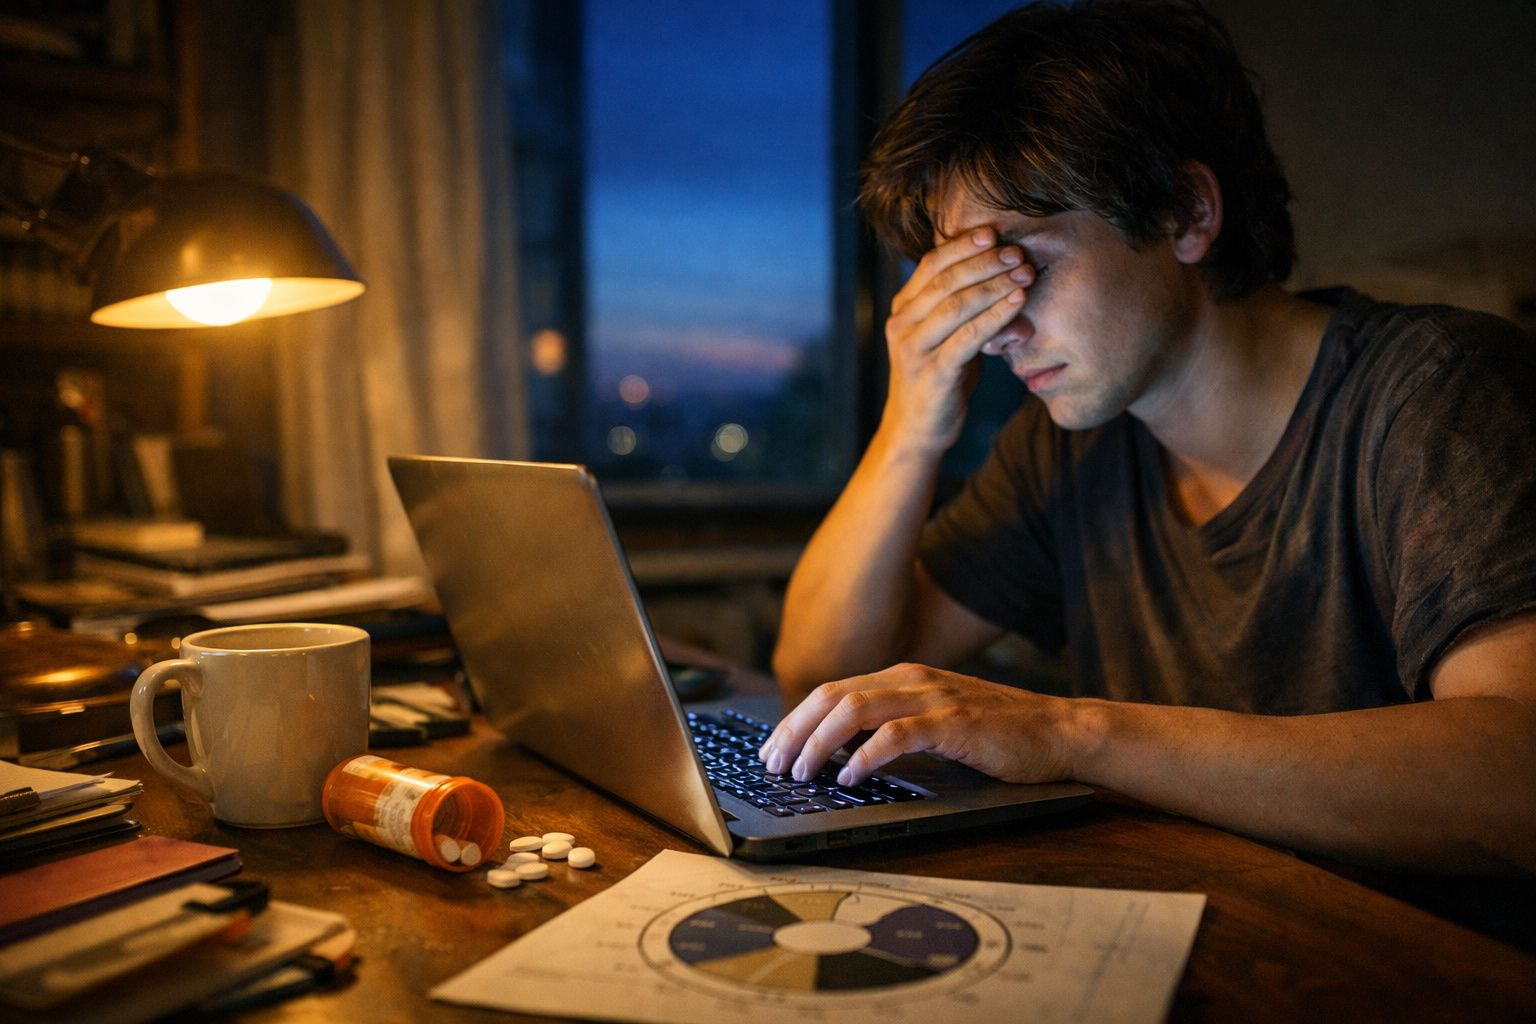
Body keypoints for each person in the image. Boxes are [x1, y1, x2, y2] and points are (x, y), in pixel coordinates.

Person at [763, 0, 1536, 876]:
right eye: (961, 281)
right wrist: (911, 425)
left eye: (1020, 263)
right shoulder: (1066, 447)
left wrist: (1074, 732)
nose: (994, 326)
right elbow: (820, 677)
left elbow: (1520, 778)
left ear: (1185, 214)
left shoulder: (1437, 391)